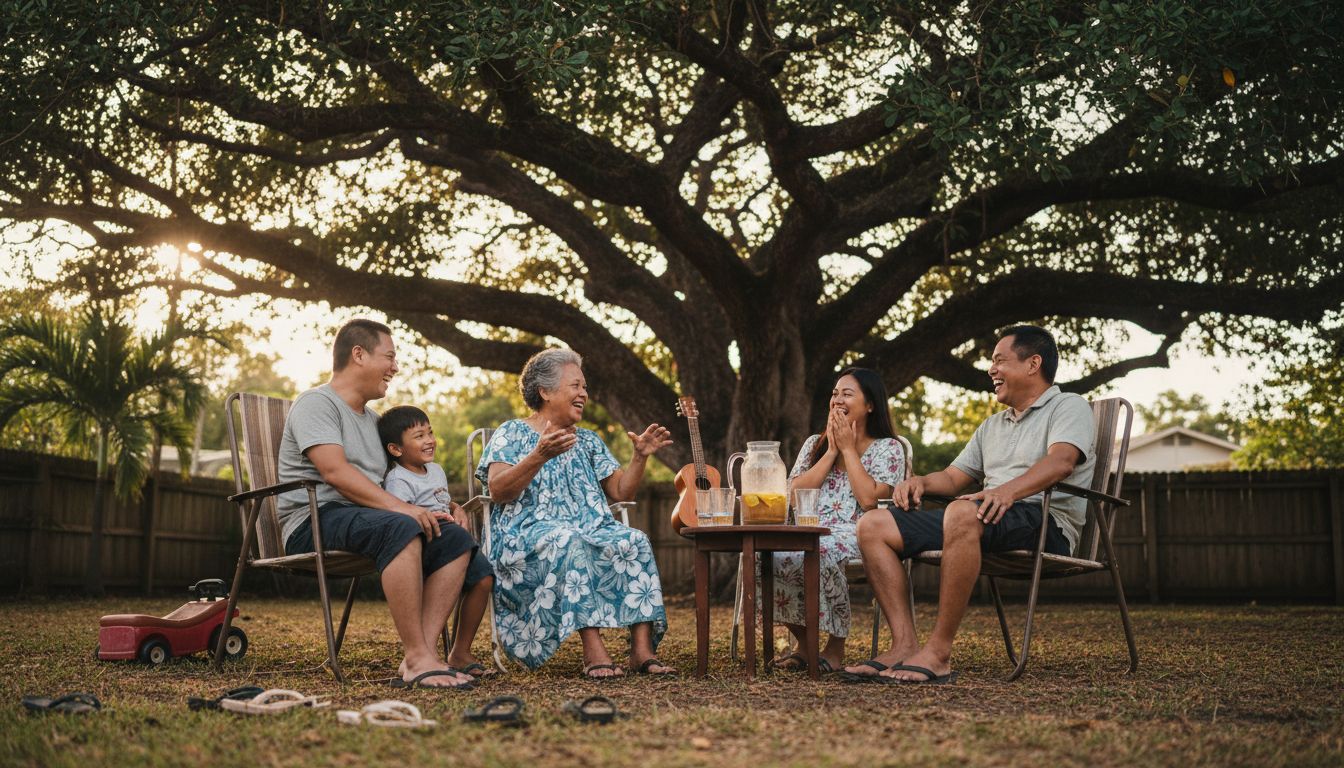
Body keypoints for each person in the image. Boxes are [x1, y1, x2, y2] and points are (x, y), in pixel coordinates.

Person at [844, 325, 1096, 684]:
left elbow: (1062, 462)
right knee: (874, 525)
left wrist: (1006, 491)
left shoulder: (1068, 406)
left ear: (1032, 364)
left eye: (999, 360)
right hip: (988, 515)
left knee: (962, 512)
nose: (991, 369)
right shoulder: (993, 425)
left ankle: (939, 653)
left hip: (1046, 521)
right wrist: (919, 482)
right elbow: (952, 478)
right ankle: (903, 645)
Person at [276, 319, 476, 689]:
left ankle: (422, 655)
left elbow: (409, 476)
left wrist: (449, 505)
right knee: (403, 525)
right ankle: (419, 657)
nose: (395, 367)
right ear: (358, 355)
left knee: (457, 539)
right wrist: (403, 511)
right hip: (314, 520)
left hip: (366, 519)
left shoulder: (374, 422)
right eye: (389, 356)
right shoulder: (316, 403)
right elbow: (334, 473)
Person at [475, 348, 676, 678]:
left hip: (590, 527)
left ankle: (641, 651)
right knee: (570, 540)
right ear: (545, 391)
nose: (584, 393)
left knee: (634, 540)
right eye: (575, 386)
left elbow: (621, 493)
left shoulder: (589, 441)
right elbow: (497, 490)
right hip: (527, 534)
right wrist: (538, 455)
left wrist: (640, 457)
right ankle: (594, 652)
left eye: (584, 387)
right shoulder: (512, 433)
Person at [768, 368, 905, 673]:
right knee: (769, 552)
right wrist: (830, 451)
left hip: (861, 533)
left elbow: (870, 500)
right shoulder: (813, 445)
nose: (837, 399)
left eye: (847, 393)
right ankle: (805, 646)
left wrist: (848, 448)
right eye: (834, 393)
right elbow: (793, 495)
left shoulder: (888, 448)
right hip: (808, 527)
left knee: (821, 548)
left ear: (870, 405)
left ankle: (835, 647)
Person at [377, 405, 497, 680]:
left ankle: (460, 650)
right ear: (396, 449)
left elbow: (441, 499)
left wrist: (457, 507)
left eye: (430, 432)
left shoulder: (436, 470)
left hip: (453, 536)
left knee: (484, 580)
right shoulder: (398, 478)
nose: (429, 440)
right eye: (419, 436)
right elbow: (399, 514)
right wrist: (434, 516)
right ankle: (423, 653)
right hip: (428, 541)